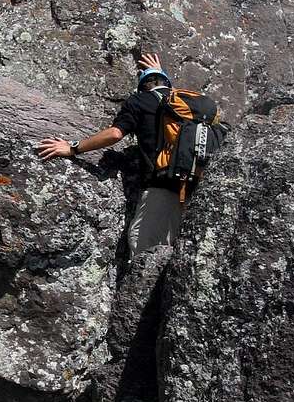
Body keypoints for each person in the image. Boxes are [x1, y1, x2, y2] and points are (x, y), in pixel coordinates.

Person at [36, 51, 186, 256]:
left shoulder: (140, 100)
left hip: (165, 184)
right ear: (167, 83)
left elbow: (115, 134)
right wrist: (159, 73)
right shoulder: (187, 104)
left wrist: (73, 147)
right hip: (196, 182)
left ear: (143, 87)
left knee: (143, 245)